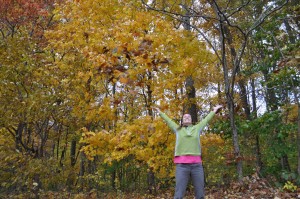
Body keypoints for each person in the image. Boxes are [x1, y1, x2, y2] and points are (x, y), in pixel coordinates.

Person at [153, 105, 222, 199]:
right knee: (179, 194)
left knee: (200, 193)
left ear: (191, 119)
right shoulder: (178, 129)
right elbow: (169, 121)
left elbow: (206, 120)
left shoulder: (197, 128)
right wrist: (160, 112)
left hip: (197, 166)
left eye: (188, 117)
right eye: (184, 117)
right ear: (182, 120)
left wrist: (213, 111)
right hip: (182, 166)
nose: (186, 118)